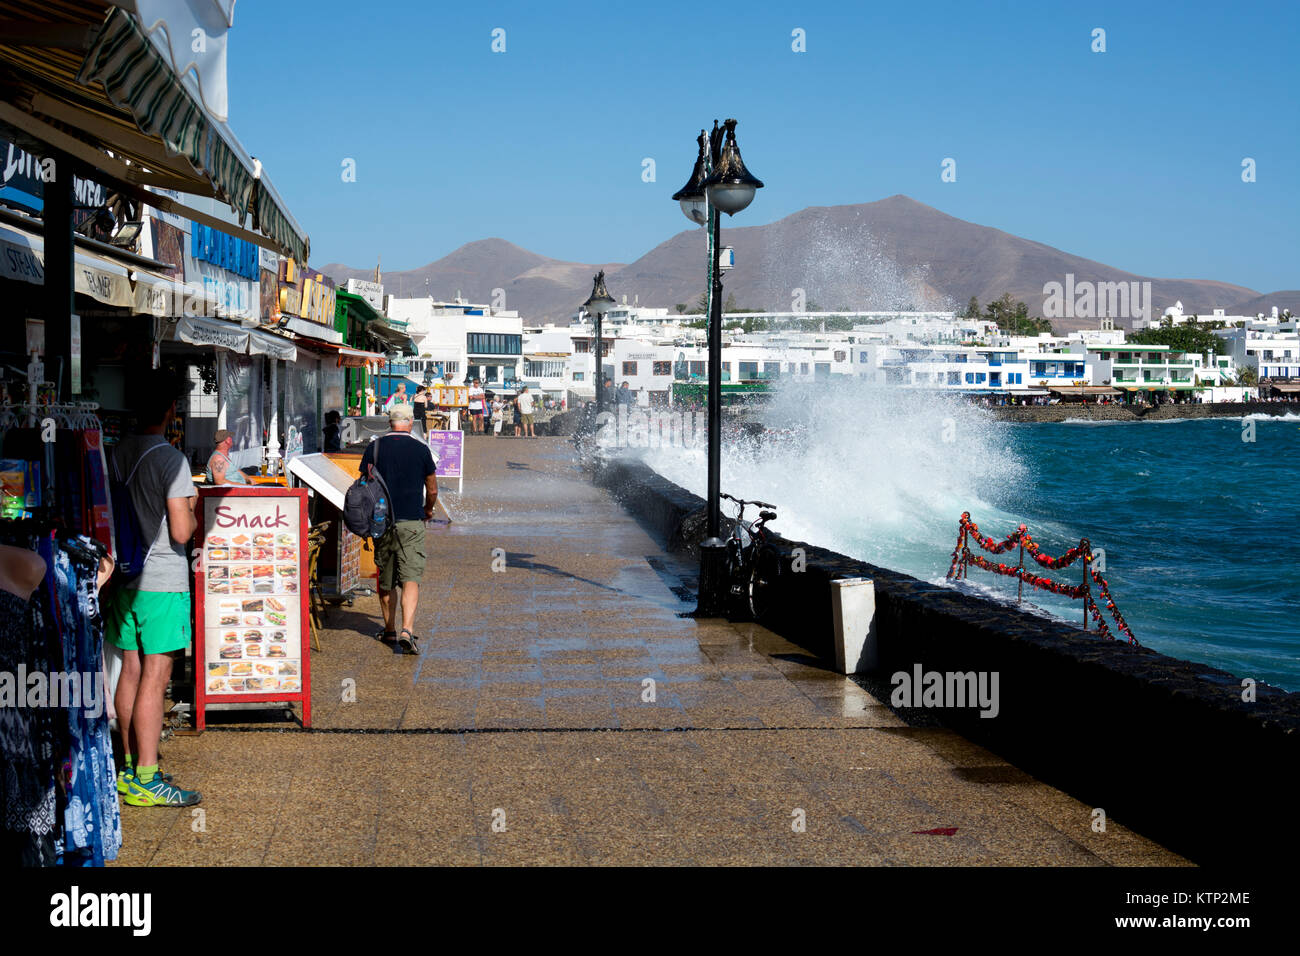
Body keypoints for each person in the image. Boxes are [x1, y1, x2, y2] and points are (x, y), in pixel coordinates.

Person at [105, 369, 202, 807]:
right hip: (161, 580)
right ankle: (148, 775)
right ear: (171, 412)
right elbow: (182, 533)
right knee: (156, 676)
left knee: (130, 669)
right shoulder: (172, 461)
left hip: (124, 578)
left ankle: (126, 768)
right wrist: (194, 508)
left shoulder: (117, 452)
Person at [361, 403, 437, 654]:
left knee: (386, 579)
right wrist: (428, 509)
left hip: (382, 522)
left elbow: (364, 483)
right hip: (411, 522)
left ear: (389, 422)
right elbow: (433, 488)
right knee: (410, 577)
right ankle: (407, 630)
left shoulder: (375, 447)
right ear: (410, 421)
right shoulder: (420, 449)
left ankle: (390, 629)